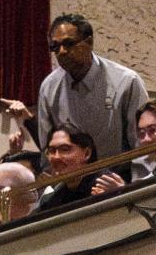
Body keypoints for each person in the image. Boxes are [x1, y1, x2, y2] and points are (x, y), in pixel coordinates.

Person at [31, 15, 148, 180]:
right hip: (71, 184)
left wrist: (138, 187)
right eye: (55, 47)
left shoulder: (126, 81)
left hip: (119, 179)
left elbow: (141, 144)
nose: (62, 52)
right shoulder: (49, 87)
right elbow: (47, 150)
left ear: (89, 42)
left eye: (69, 44)